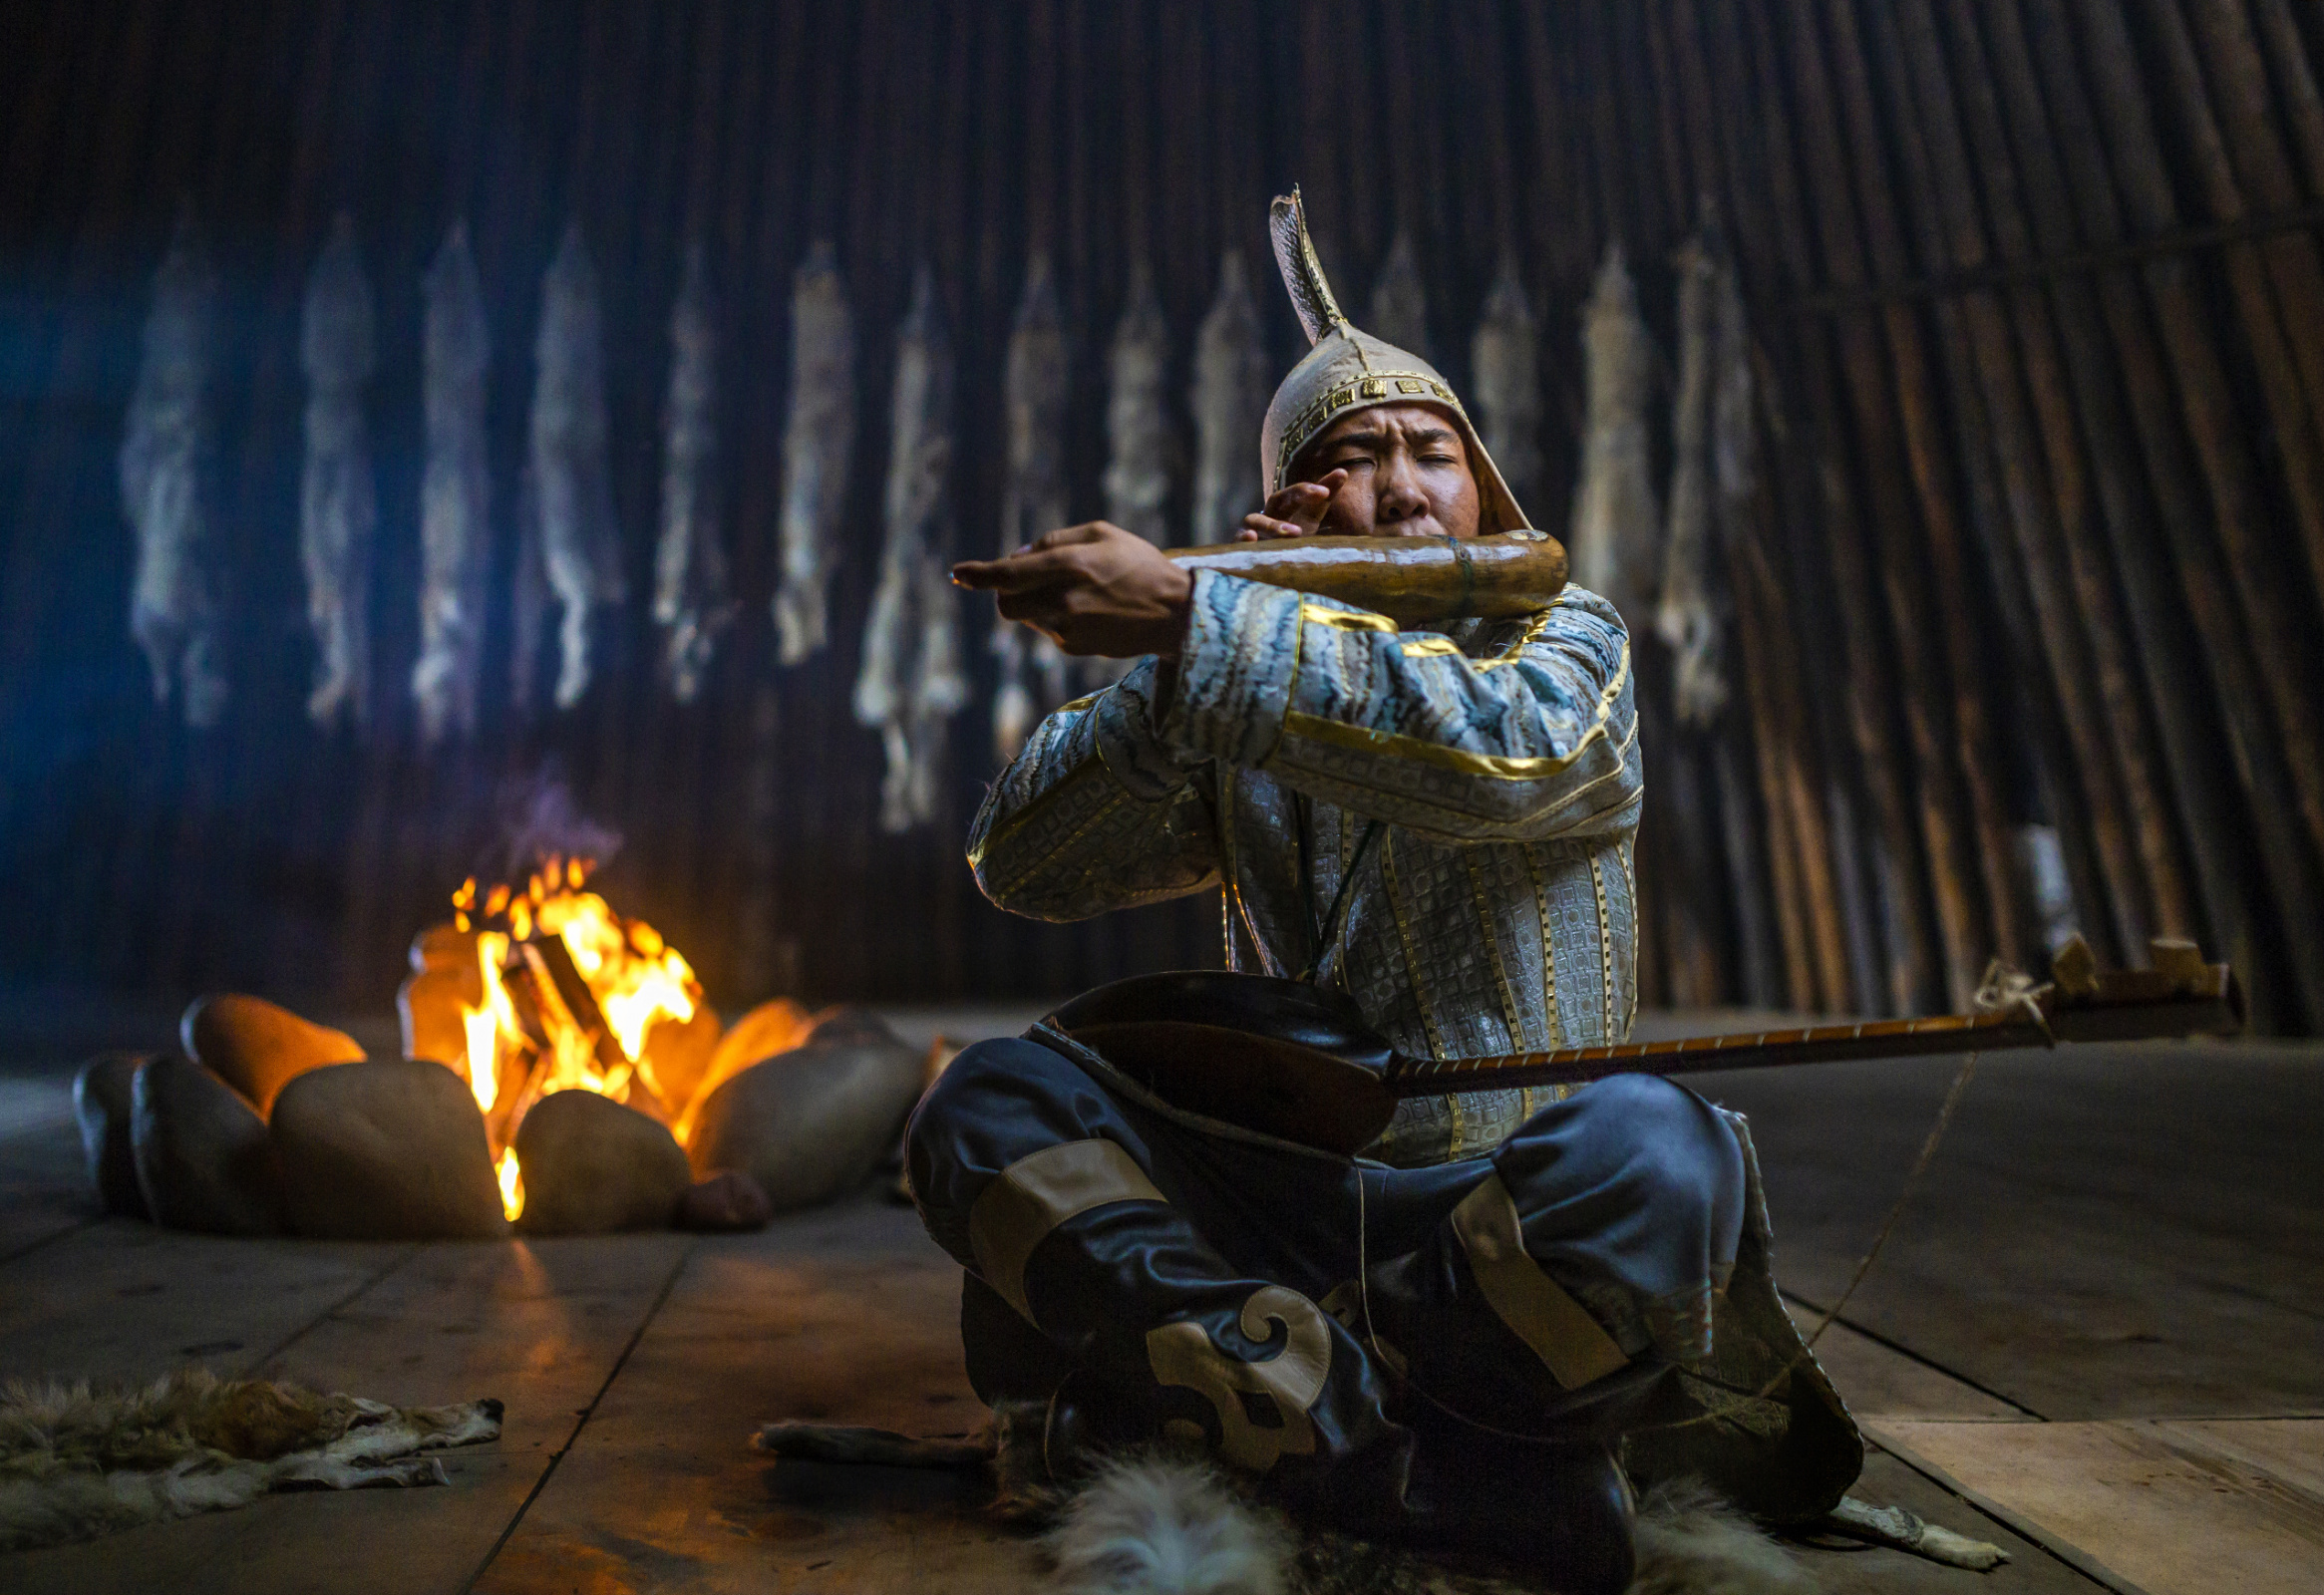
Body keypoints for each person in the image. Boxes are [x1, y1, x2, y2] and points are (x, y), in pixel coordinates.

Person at [914, 194, 1857, 1589]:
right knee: (982, 1103)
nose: (1408, 489)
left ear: (1486, 492)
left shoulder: (1568, 640)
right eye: (1358, 461)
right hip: (1287, 1217)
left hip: (1501, 1217)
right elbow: (1028, 865)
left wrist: (1200, 614)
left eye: (1437, 454)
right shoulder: (1240, 670)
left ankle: (1302, 1420)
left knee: (1665, 1161)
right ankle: (1370, 1429)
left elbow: (1505, 757)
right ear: (1304, 503)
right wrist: (1196, 662)